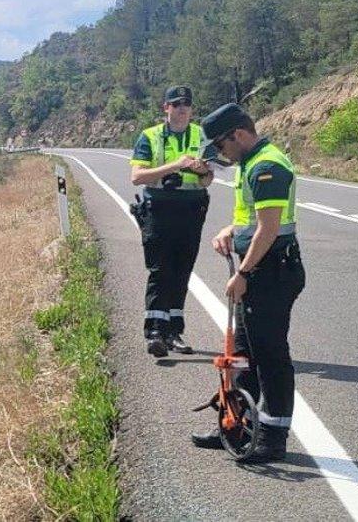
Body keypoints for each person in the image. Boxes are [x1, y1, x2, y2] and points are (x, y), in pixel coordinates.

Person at [192, 103, 306, 462]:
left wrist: (242, 273)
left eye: (221, 146)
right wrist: (231, 230)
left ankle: (272, 438)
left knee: (270, 355)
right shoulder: (249, 163)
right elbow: (253, 220)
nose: (221, 154)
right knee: (242, 353)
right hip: (260, 267)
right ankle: (236, 425)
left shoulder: (266, 167)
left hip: (272, 272)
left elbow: (269, 229)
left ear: (238, 135)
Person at [129, 85, 213, 357]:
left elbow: (208, 179)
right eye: (176, 104)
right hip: (159, 208)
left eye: (186, 104)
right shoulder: (150, 136)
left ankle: (174, 331)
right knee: (160, 270)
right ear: (166, 107)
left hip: (191, 208)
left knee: (182, 270)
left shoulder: (201, 135)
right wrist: (176, 165)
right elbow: (137, 177)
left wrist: (202, 171)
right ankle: (155, 332)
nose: (181, 109)